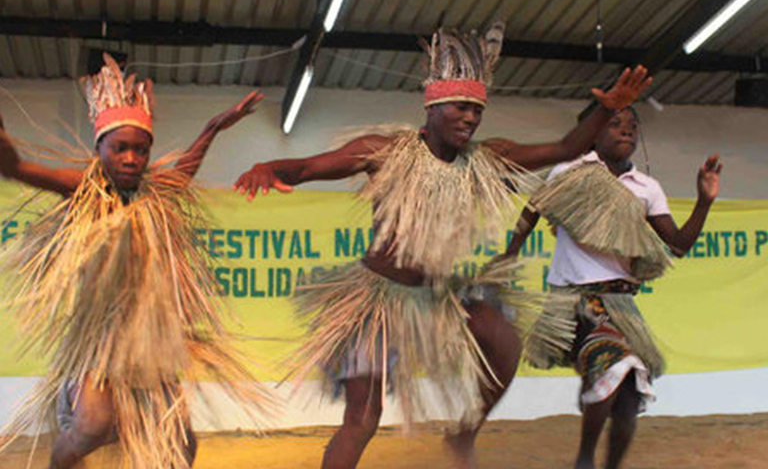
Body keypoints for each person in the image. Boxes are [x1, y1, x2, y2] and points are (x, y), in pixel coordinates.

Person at [234, 24, 652, 469]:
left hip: (437, 298)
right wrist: (269, 165)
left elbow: (566, 146)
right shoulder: (389, 152)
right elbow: (308, 166)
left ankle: (463, 432)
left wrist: (606, 112)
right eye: (461, 107)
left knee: (502, 338)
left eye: (477, 109)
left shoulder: (487, 159)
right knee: (362, 418)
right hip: (376, 302)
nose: (471, 117)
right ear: (432, 106)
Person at [0, 54, 273, 469]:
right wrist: (6, 151)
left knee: (181, 445)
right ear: (100, 148)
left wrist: (213, 127)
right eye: (120, 148)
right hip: (100, 339)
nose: (131, 158)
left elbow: (184, 171)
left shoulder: (155, 192)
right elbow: (18, 168)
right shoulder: (83, 189)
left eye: (141, 150)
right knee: (93, 426)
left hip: (151, 338)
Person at [506, 106, 722, 469]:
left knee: (629, 398)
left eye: (632, 126)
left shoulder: (646, 188)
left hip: (620, 304)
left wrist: (703, 201)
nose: (626, 131)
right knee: (616, 363)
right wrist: (508, 255)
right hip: (573, 302)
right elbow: (532, 211)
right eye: (615, 124)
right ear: (593, 133)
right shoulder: (570, 172)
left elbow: (679, 245)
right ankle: (585, 460)